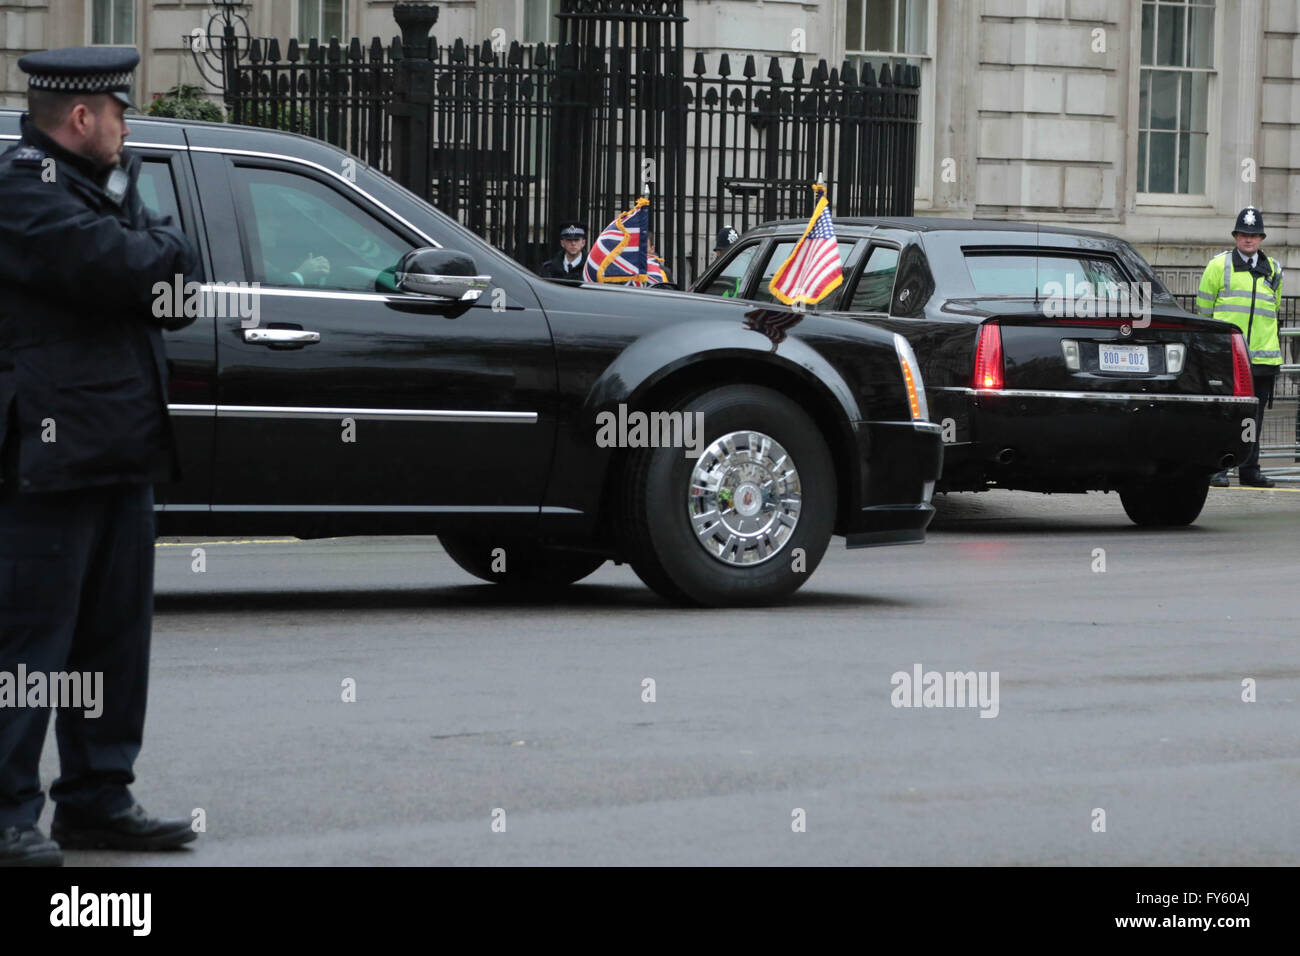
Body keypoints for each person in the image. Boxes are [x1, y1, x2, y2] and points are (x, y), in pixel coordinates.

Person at [0, 46, 202, 866]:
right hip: (48, 454)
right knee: (30, 646)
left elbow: (176, 298)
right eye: (118, 113)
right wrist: (153, 244)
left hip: (120, 445)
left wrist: (151, 245)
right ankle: (9, 810)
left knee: (114, 641)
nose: (126, 127)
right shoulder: (20, 189)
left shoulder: (101, 189)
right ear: (80, 118)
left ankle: (97, 799)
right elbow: (129, 266)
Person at [1198, 207, 1283, 488]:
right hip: (1227, 356)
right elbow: (1204, 312)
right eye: (1244, 234)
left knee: (1253, 420)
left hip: (1261, 359)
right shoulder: (1218, 266)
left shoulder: (1273, 269)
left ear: (1261, 238)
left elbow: (1274, 309)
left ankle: (1249, 470)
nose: (1249, 240)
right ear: (1236, 236)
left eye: (1254, 235)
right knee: (1224, 414)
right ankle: (1218, 468)